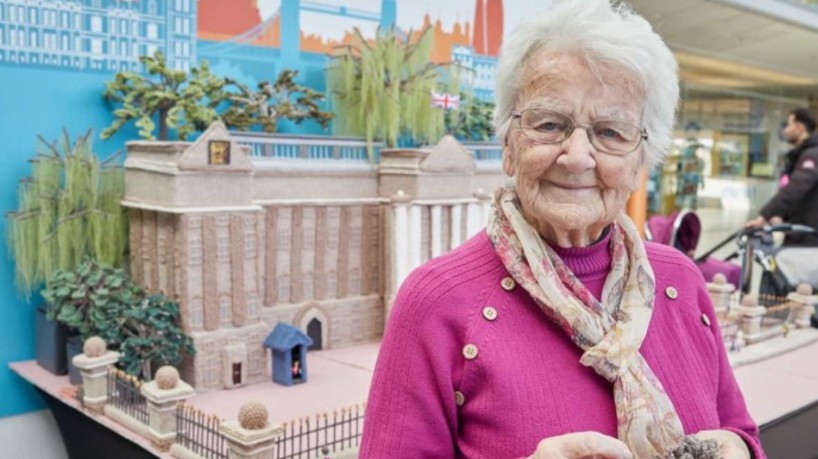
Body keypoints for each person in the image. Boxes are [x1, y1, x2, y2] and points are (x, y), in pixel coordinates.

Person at [360, 1, 764, 458]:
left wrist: (738, 448)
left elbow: (741, 433)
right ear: (509, 146)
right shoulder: (437, 303)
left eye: (611, 132)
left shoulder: (681, 282)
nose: (576, 156)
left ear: (640, 164)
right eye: (549, 124)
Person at [746, 108, 818, 247]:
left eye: (789, 125)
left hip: (808, 235)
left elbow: (796, 188)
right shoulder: (803, 154)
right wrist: (781, 216)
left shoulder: (812, 155)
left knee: (784, 267)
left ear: (799, 127)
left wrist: (765, 216)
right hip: (800, 231)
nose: (785, 130)